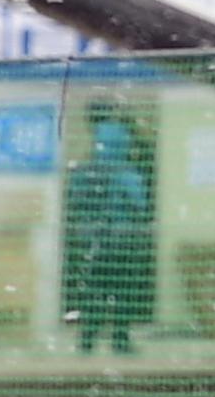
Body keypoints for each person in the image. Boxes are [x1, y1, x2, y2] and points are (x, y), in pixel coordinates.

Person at [63, 113, 155, 357]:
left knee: (94, 293)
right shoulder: (129, 175)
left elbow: (74, 203)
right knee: (123, 293)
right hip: (124, 241)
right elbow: (141, 206)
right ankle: (120, 340)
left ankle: (87, 342)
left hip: (93, 242)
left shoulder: (84, 173)